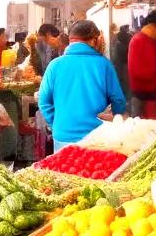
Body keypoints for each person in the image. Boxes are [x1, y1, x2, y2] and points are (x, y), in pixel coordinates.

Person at [38, 20, 126, 150]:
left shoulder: (54, 65)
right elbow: (118, 100)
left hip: (63, 136)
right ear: (93, 40)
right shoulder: (103, 64)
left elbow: (44, 101)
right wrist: (117, 121)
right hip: (97, 136)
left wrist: (57, 123)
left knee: (61, 170)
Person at [128, 9, 156, 119]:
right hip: (143, 94)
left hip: (153, 92)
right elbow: (135, 70)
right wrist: (155, 74)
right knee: (143, 127)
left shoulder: (153, 40)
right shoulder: (138, 40)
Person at [111, 25, 132, 102]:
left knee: (120, 83)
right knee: (125, 84)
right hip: (123, 66)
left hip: (118, 66)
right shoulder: (124, 43)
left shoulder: (117, 42)